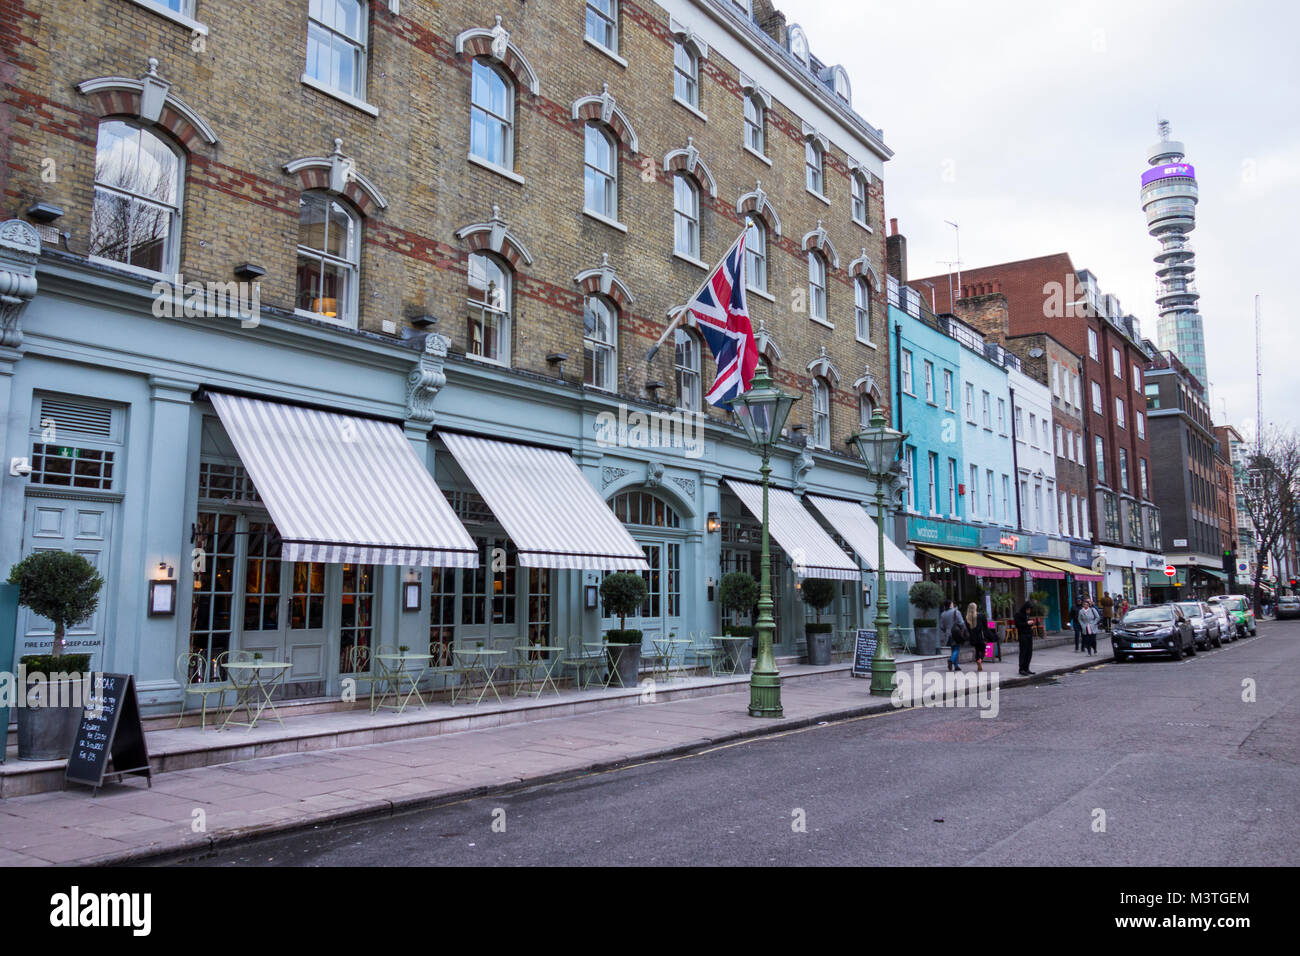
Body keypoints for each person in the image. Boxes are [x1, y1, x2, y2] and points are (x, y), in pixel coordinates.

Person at [939, 600, 966, 671]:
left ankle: (956, 666)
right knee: (957, 648)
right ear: (951, 604)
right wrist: (964, 630)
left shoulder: (943, 614)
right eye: (952, 603)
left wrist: (947, 630)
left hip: (948, 634)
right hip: (956, 633)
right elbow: (962, 623)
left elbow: (941, 626)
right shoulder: (956, 612)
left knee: (953, 649)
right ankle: (951, 660)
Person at [966, 602, 988, 672]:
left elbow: (968, 629)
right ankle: (980, 660)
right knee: (983, 650)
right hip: (981, 636)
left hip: (973, 638)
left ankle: (978, 662)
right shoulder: (981, 615)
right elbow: (985, 627)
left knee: (977, 650)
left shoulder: (967, 618)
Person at [1015, 600, 1035, 675]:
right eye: (1028, 609)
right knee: (1023, 652)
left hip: (1029, 635)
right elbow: (1018, 625)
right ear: (1025, 608)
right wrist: (1027, 623)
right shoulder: (1018, 615)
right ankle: (1021, 669)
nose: (1029, 611)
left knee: (1029, 652)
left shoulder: (1027, 615)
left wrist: (1031, 623)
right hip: (1023, 635)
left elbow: (1028, 624)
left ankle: (1027, 668)